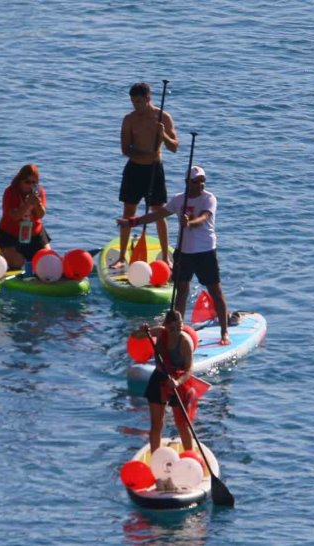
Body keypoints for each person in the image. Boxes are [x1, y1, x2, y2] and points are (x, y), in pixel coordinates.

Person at [117, 165, 232, 345]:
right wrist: (132, 222)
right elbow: (157, 215)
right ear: (187, 182)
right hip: (183, 252)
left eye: (202, 181)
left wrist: (190, 223)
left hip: (205, 252)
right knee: (181, 293)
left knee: (216, 292)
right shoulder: (179, 200)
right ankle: (177, 330)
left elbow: (204, 218)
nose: (200, 185)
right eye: (195, 181)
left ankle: (224, 332)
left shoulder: (209, 199)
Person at [111, 82, 178, 269]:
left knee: (159, 212)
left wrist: (163, 135)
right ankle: (122, 257)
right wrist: (144, 154)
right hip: (134, 170)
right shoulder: (129, 119)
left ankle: (165, 257)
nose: (135, 106)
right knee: (128, 213)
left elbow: (174, 147)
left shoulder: (163, 117)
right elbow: (125, 149)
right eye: (133, 102)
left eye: (139, 102)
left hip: (155, 171)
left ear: (148, 98)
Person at [131, 310, 196, 455]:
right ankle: (156, 458)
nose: (176, 332)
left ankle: (190, 456)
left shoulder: (184, 342)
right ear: (165, 326)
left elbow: (189, 369)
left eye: (179, 328)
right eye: (172, 328)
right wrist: (142, 330)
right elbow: (135, 336)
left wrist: (178, 382)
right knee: (156, 425)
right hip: (159, 378)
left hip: (178, 382)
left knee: (182, 425)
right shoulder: (160, 332)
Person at [0, 164, 50, 270]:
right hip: (11, 235)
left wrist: (37, 204)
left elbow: (41, 215)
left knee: (46, 260)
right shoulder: (10, 192)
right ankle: (3, 251)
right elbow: (14, 216)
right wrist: (27, 204)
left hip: (34, 234)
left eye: (34, 183)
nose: (30, 185)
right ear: (20, 181)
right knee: (16, 264)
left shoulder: (39, 192)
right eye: (27, 182)